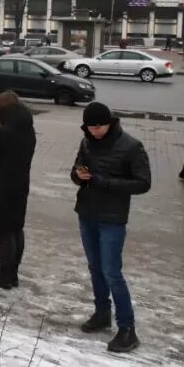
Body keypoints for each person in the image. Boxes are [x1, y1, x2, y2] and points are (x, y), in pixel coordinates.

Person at [71, 102, 151, 354]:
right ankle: (102, 313)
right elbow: (76, 170)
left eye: (99, 126)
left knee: (112, 272)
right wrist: (77, 175)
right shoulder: (86, 142)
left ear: (110, 122)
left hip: (112, 218)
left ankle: (127, 328)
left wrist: (105, 183)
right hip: (87, 213)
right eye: (90, 127)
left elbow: (143, 183)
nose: (95, 131)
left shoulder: (131, 146)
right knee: (95, 268)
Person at [0, 92, 36, 287]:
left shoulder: (4, 131)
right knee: (16, 229)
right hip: (20, 185)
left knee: (3, 231)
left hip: (1, 187)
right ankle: (13, 273)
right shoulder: (28, 129)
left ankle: (4, 274)